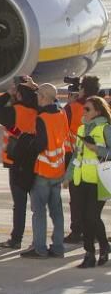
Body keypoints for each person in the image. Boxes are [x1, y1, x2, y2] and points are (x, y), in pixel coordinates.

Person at [21, 83, 71, 259]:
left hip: (43, 169)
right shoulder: (61, 112)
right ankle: (58, 247)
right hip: (58, 168)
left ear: (42, 97)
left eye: (38, 96)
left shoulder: (42, 118)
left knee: (39, 211)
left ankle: (40, 248)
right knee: (56, 211)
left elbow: (40, 144)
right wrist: (36, 87)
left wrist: (28, 145)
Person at [0, 76, 39, 249]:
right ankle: (37, 240)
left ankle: (16, 239)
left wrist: (7, 94)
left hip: (16, 161)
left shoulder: (13, 111)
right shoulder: (39, 110)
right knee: (37, 205)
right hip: (35, 160)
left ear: (18, 94)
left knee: (19, 204)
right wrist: (35, 88)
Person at [67, 95, 111, 268]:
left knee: (91, 216)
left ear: (97, 112)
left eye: (87, 109)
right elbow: (76, 155)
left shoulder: (106, 129)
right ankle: (92, 253)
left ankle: (99, 249)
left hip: (100, 181)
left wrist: (96, 149)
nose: (83, 111)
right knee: (86, 218)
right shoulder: (81, 130)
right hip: (82, 180)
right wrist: (68, 176)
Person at [64, 75, 100, 244]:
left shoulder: (73, 107)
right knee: (92, 199)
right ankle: (90, 231)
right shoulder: (103, 108)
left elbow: (62, 124)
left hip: (76, 156)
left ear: (82, 89)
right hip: (98, 159)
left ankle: (77, 231)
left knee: (77, 198)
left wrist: (71, 101)